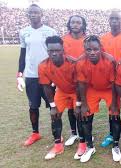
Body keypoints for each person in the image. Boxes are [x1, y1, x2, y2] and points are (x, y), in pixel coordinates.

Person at [17, 4, 57, 146]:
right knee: (33, 106)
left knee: (53, 105)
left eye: (36, 12)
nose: (33, 15)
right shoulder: (23, 32)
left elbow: (55, 54)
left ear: (41, 14)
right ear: (28, 15)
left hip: (48, 76)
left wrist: (55, 75)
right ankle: (35, 133)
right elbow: (22, 55)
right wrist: (19, 75)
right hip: (31, 75)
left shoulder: (50, 31)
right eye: (30, 13)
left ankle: (56, 135)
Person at [76, 35, 121, 162]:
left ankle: (116, 146)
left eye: (95, 49)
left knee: (115, 115)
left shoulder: (109, 60)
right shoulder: (80, 62)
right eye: (88, 50)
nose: (92, 52)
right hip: (92, 89)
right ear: (84, 49)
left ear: (100, 48)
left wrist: (113, 103)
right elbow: (81, 84)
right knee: (86, 117)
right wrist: (83, 104)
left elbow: (113, 83)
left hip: (108, 89)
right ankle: (90, 147)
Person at [38, 36, 79, 160]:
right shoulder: (43, 65)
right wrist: (53, 106)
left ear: (63, 50)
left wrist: (78, 103)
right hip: (61, 91)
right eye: (51, 51)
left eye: (57, 50)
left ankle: (83, 143)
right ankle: (57, 145)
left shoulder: (73, 63)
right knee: (54, 115)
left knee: (80, 113)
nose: (54, 53)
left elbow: (79, 85)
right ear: (47, 51)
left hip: (76, 91)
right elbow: (46, 87)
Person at [100, 10, 121, 148]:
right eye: (112, 18)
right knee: (112, 107)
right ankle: (111, 134)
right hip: (108, 80)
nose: (114, 21)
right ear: (109, 21)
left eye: (117, 19)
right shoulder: (103, 39)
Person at [62, 15, 87, 147]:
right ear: (69, 24)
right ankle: (73, 133)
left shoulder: (87, 40)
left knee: (82, 107)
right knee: (70, 108)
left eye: (78, 22)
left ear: (83, 25)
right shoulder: (63, 39)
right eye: (73, 22)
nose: (75, 24)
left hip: (83, 79)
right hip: (68, 78)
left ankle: (86, 133)